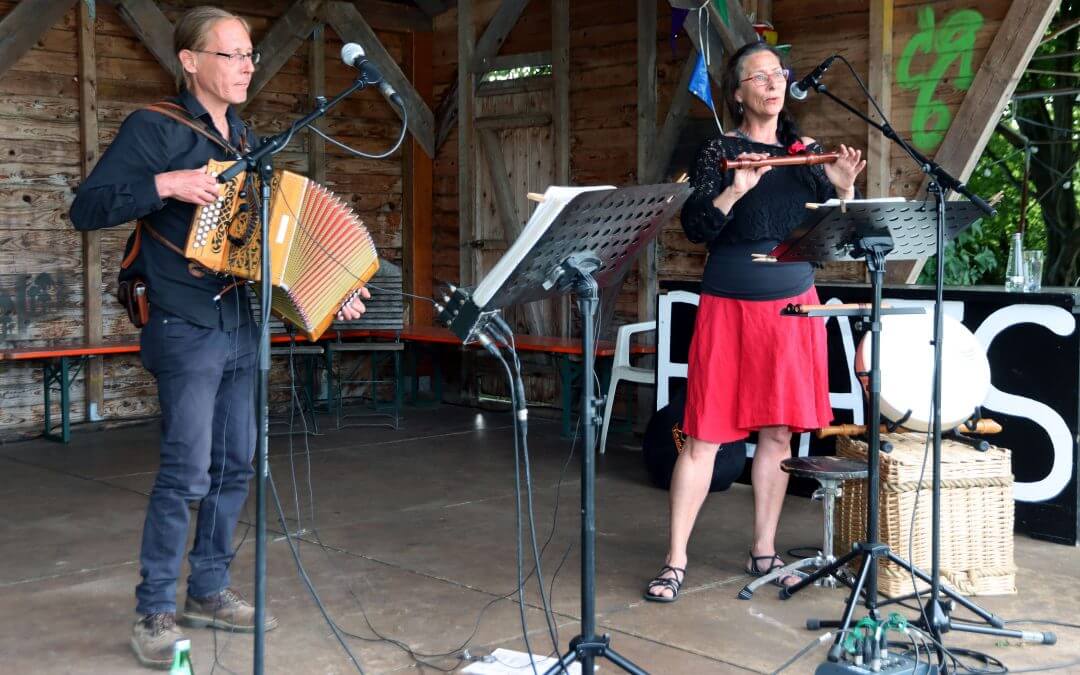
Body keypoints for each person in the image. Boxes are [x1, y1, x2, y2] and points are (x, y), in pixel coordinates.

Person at [70, 7, 369, 668]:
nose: (246, 67)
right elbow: (86, 207)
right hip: (184, 323)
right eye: (232, 55)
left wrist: (332, 285)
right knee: (187, 468)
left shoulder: (245, 139)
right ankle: (154, 606)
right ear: (190, 62)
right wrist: (163, 184)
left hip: (240, 323)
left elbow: (271, 241)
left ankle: (207, 587)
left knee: (237, 463)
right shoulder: (154, 128)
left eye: (249, 55)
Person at [643, 42, 865, 602]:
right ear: (738, 92)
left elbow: (836, 233)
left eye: (778, 74)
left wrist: (842, 187)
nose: (773, 82)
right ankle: (674, 561)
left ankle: (763, 551)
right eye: (759, 76)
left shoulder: (805, 151)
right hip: (728, 307)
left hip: (791, 310)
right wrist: (734, 189)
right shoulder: (717, 151)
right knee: (704, 436)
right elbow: (695, 228)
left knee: (779, 433)